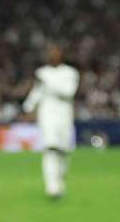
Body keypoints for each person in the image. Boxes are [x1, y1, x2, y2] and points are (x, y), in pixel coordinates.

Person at [22, 44, 80, 199]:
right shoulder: (42, 72)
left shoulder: (70, 72)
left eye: (55, 52)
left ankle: (60, 182)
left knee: (63, 152)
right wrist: (27, 107)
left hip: (64, 115)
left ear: (61, 54)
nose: (52, 55)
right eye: (50, 52)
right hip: (47, 115)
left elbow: (69, 92)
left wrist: (47, 82)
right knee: (50, 149)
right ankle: (51, 187)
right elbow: (37, 92)